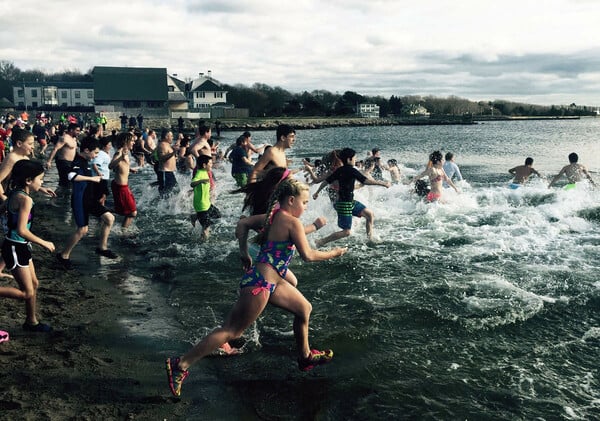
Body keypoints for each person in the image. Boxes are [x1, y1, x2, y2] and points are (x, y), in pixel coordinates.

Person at [165, 178, 347, 397]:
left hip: (272, 281)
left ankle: (305, 357)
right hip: (261, 285)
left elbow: (243, 224)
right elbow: (308, 255)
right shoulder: (291, 221)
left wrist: (243, 252)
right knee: (231, 331)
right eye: (305, 202)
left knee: (304, 309)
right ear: (291, 200)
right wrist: (334, 253)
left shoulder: (274, 217)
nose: (306, 206)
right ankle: (181, 364)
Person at [0, 160, 55, 332]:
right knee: (27, 293)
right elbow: (22, 230)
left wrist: (40, 189)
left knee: (34, 283)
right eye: (41, 179)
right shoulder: (25, 200)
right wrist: (44, 242)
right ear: (28, 180)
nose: (43, 182)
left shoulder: (14, 193)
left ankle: (31, 322)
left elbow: (2, 208)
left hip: (18, 246)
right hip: (16, 247)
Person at [56, 137, 117, 269]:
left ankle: (102, 247)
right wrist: (92, 178)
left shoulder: (86, 162)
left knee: (109, 218)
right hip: (80, 201)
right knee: (82, 230)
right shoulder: (78, 161)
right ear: (86, 150)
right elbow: (71, 176)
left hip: (90, 200)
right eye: (95, 153)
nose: (96, 156)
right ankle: (63, 255)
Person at [313, 148, 390, 247]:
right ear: (349, 160)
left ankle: (369, 239)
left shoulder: (340, 170)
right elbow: (365, 181)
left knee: (369, 214)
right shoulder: (351, 170)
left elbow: (326, 181)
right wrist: (382, 183)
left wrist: (317, 192)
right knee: (346, 232)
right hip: (343, 205)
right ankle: (321, 241)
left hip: (350, 202)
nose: (355, 160)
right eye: (354, 158)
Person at [109, 132, 138, 229]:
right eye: (132, 141)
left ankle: (105, 213)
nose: (134, 143)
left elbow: (120, 165)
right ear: (126, 142)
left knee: (125, 211)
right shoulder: (119, 152)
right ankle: (123, 231)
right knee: (132, 212)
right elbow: (111, 165)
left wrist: (129, 169)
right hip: (120, 186)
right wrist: (121, 157)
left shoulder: (125, 152)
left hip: (122, 185)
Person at [190, 155, 221, 240]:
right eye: (210, 163)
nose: (212, 164)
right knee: (206, 227)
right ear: (204, 165)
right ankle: (203, 242)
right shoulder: (199, 173)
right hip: (201, 206)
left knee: (217, 215)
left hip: (206, 203)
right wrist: (201, 181)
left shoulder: (205, 172)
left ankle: (195, 216)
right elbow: (192, 184)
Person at [46, 123, 80, 188]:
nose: (79, 132)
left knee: (70, 181)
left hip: (71, 162)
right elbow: (55, 149)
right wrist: (49, 161)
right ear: (71, 130)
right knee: (65, 181)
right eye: (77, 130)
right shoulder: (64, 138)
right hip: (63, 162)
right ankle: (60, 195)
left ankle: (64, 195)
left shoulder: (74, 139)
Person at [155, 129, 177, 197]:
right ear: (166, 136)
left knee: (175, 192)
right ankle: (158, 207)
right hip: (165, 172)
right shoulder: (163, 145)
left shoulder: (167, 144)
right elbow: (161, 158)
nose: (172, 138)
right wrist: (173, 153)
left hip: (169, 172)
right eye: (171, 136)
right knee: (165, 195)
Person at [91, 137, 112, 206]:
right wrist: (99, 174)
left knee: (104, 195)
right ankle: (99, 208)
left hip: (103, 178)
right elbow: (94, 164)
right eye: (109, 145)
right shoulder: (101, 154)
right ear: (104, 146)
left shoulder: (104, 153)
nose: (110, 147)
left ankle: (101, 207)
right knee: (101, 196)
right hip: (101, 178)